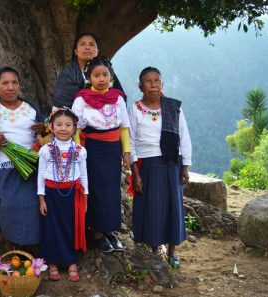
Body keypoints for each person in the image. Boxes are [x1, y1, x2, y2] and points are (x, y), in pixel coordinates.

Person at [128, 67, 192, 268]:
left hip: (173, 162)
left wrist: (185, 166)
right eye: (148, 81)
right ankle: (154, 248)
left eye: (157, 80)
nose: (153, 84)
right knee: (153, 207)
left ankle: (172, 250)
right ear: (141, 86)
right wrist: (135, 173)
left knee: (173, 206)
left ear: (162, 84)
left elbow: (184, 136)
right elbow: (130, 142)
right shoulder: (135, 109)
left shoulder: (173, 107)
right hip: (148, 163)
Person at [0, 66, 45, 249]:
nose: (10, 87)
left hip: (32, 165)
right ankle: (12, 250)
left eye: (14, 82)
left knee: (34, 206)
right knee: (8, 206)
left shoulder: (30, 107)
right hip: (3, 167)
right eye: (5, 83)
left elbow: (48, 134)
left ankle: (33, 250)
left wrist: (44, 128)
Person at [71, 56, 130, 253]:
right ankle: (97, 233)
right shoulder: (81, 99)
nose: (101, 78)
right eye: (96, 75)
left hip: (113, 150)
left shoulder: (117, 97)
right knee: (96, 189)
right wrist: (79, 152)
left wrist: (127, 152)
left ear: (111, 76)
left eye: (105, 74)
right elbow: (76, 129)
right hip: (92, 150)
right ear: (89, 77)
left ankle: (110, 230)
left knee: (113, 190)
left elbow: (123, 128)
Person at [38, 108, 88, 282]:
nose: (63, 128)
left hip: (73, 194)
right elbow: (41, 176)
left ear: (74, 128)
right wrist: (41, 199)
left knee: (70, 227)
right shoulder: (46, 150)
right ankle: (53, 263)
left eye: (68, 125)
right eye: (59, 124)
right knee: (52, 228)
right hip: (51, 195)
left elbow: (83, 175)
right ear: (51, 127)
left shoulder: (80, 150)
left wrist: (86, 197)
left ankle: (71, 262)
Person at [52, 32, 126, 108]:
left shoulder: (107, 72)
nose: (87, 47)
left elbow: (120, 99)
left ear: (97, 51)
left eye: (91, 44)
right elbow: (60, 104)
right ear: (76, 51)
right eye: (82, 44)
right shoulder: (67, 75)